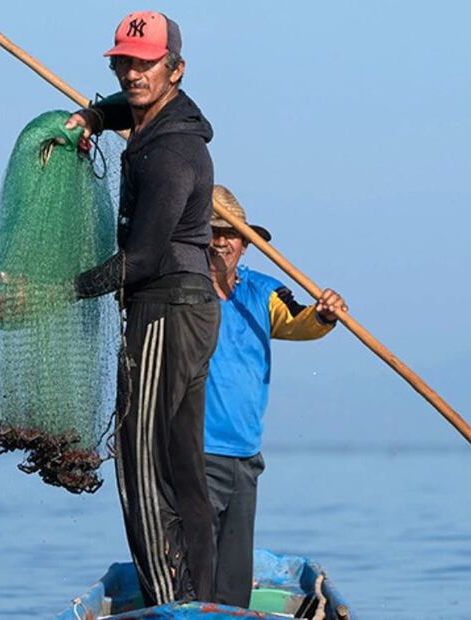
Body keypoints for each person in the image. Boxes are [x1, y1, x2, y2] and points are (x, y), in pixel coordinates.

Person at [66, 11, 219, 606]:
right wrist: (94, 116)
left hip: (164, 309)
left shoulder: (173, 154)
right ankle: (205, 603)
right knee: (183, 468)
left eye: (144, 63)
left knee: (137, 467)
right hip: (190, 310)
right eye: (123, 62)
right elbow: (126, 107)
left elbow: (142, 259)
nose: (132, 73)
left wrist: (59, 293)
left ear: (175, 69)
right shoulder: (161, 124)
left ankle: (168, 604)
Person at [203, 185, 346, 608]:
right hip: (193, 452)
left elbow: (301, 321)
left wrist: (324, 313)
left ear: (246, 244)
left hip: (245, 454)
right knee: (192, 574)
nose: (221, 241)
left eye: (231, 233)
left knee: (232, 580)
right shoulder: (180, 292)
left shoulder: (263, 292)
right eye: (212, 231)